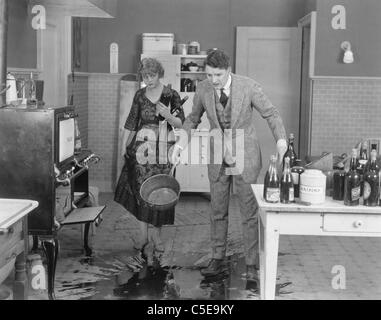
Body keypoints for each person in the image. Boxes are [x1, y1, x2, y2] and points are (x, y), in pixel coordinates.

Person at [171, 49, 287, 281]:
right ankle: (217, 257)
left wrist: (281, 140)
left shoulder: (249, 86)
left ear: (228, 70)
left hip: (246, 156)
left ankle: (252, 263)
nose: (213, 80)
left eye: (218, 75)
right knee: (217, 210)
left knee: (248, 213)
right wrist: (181, 144)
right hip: (217, 157)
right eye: (210, 75)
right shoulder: (203, 88)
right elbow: (193, 119)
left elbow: (271, 114)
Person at [115, 57, 185, 264]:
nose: (149, 80)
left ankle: (157, 237)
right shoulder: (139, 95)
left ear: (159, 74)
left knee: (160, 194)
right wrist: (123, 148)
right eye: (145, 76)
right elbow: (131, 122)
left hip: (164, 152)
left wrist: (168, 116)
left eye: (152, 76)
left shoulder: (171, 95)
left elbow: (181, 122)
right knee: (141, 193)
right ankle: (143, 236)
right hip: (140, 153)